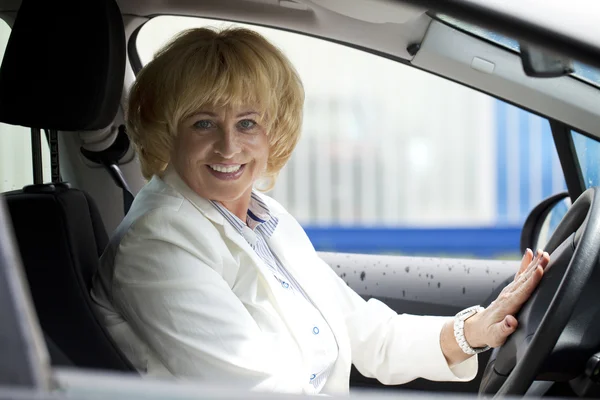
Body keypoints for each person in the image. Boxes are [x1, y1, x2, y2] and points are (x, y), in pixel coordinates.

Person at [91, 27, 550, 396]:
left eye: (247, 122)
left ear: (276, 130)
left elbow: (368, 334)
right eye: (203, 123)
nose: (229, 146)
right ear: (169, 132)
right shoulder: (155, 245)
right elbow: (258, 391)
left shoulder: (263, 218)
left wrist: (474, 330)